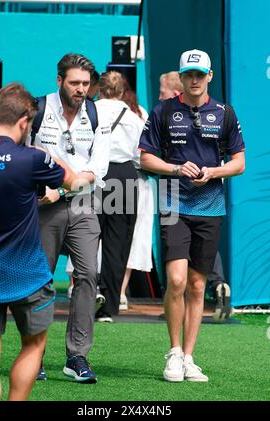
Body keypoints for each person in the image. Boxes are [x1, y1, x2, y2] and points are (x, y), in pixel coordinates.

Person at [139, 49, 245, 382]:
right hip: (173, 200)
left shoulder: (225, 113)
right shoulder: (163, 112)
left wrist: (213, 172)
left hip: (210, 205)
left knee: (198, 286)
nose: (195, 79)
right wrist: (175, 167)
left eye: (201, 74)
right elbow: (145, 159)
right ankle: (172, 352)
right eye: (189, 74)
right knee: (176, 280)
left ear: (209, 76)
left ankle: (188, 356)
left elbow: (239, 163)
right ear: (181, 77)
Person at [0, 82, 80, 400]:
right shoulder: (31, 158)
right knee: (34, 346)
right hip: (28, 277)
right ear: (24, 121)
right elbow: (74, 180)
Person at [29, 53, 111, 383]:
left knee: (88, 274)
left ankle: (76, 355)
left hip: (81, 205)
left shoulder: (95, 113)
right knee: (39, 279)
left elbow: (98, 167)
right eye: (74, 83)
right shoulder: (37, 109)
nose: (81, 89)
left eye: (86, 84)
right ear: (59, 80)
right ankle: (33, 355)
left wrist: (61, 190)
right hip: (41, 207)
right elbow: (23, 154)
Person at [95, 71, 143, 322]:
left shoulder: (90, 111)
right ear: (122, 92)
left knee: (87, 239)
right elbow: (140, 156)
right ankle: (109, 306)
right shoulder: (134, 119)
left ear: (99, 90)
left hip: (96, 176)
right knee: (118, 244)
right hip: (124, 176)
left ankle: (87, 294)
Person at [119, 78, 153, 311]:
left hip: (103, 181)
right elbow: (146, 154)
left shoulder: (94, 111)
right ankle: (120, 292)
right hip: (137, 180)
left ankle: (82, 286)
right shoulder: (139, 114)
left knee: (95, 234)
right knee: (133, 236)